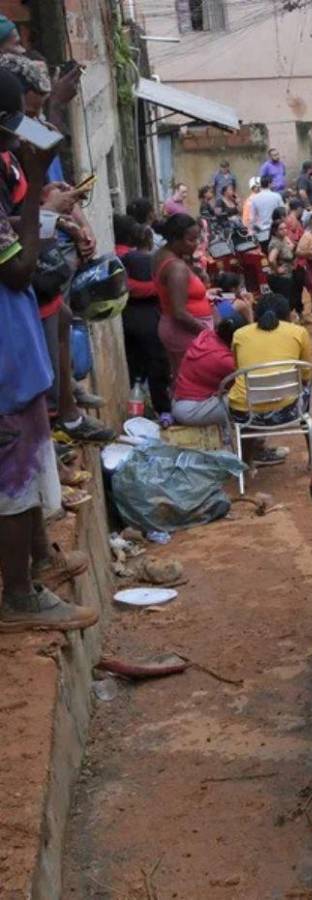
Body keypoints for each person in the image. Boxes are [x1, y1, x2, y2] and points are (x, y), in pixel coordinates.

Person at [0, 69, 98, 633]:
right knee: (12, 477)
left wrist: (43, 213)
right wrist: (39, 200)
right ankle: (19, 596)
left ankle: (38, 563)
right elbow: (17, 269)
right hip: (5, 357)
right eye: (11, 127)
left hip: (17, 352)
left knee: (28, 459)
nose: (18, 141)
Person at [228, 293, 312, 463]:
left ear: (257, 313)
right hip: (287, 410)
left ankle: (245, 464)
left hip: (247, 413)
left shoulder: (240, 334)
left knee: (243, 401)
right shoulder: (298, 332)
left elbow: (238, 370)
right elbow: (306, 375)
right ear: (287, 315)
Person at [115, 216, 171, 417]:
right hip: (148, 319)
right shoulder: (145, 260)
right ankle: (162, 409)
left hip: (128, 317)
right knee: (157, 365)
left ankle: (139, 409)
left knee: (136, 367)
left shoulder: (122, 258)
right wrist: (158, 289)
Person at [153, 213, 212, 379]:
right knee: (192, 381)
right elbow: (180, 312)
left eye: (197, 239)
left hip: (175, 327)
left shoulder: (165, 256)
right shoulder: (176, 268)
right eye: (191, 240)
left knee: (182, 378)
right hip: (183, 331)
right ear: (175, 239)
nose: (195, 245)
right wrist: (207, 333)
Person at [170, 313, 245, 427]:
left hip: (183, 402)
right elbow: (249, 376)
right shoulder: (224, 360)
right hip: (192, 410)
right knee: (248, 396)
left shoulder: (207, 335)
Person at [265, 216, 299, 315]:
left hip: (287, 276)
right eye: (281, 229)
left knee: (285, 300)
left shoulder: (283, 239)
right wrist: (277, 270)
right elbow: (271, 259)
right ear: (275, 231)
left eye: (285, 228)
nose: (284, 231)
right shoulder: (276, 243)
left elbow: (290, 247)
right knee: (283, 302)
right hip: (281, 278)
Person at [249, 174, 283, 249]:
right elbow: (282, 212)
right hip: (276, 231)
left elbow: (252, 218)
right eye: (273, 183)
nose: (274, 184)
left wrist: (251, 232)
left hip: (262, 232)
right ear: (269, 184)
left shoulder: (255, 199)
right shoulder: (277, 196)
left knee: (265, 252)